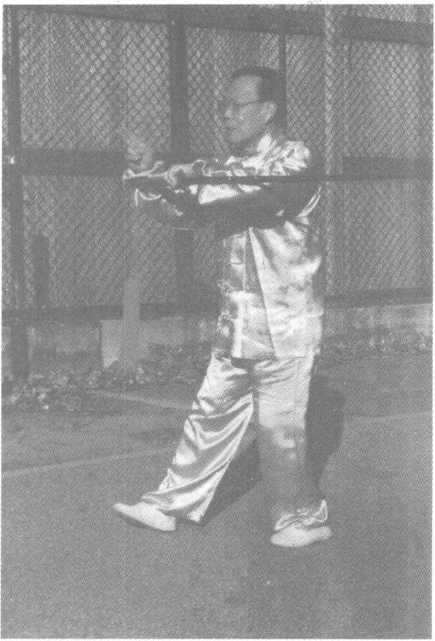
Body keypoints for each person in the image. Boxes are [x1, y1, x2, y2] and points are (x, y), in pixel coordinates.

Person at [113, 66, 332, 548]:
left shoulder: (295, 159)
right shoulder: (226, 167)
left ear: (268, 110)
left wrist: (182, 174)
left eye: (237, 106)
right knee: (209, 413)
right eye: (223, 106)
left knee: (279, 428)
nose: (227, 115)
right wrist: (153, 178)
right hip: (239, 322)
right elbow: (182, 211)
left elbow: (244, 189)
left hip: (287, 323)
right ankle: (169, 505)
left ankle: (303, 518)